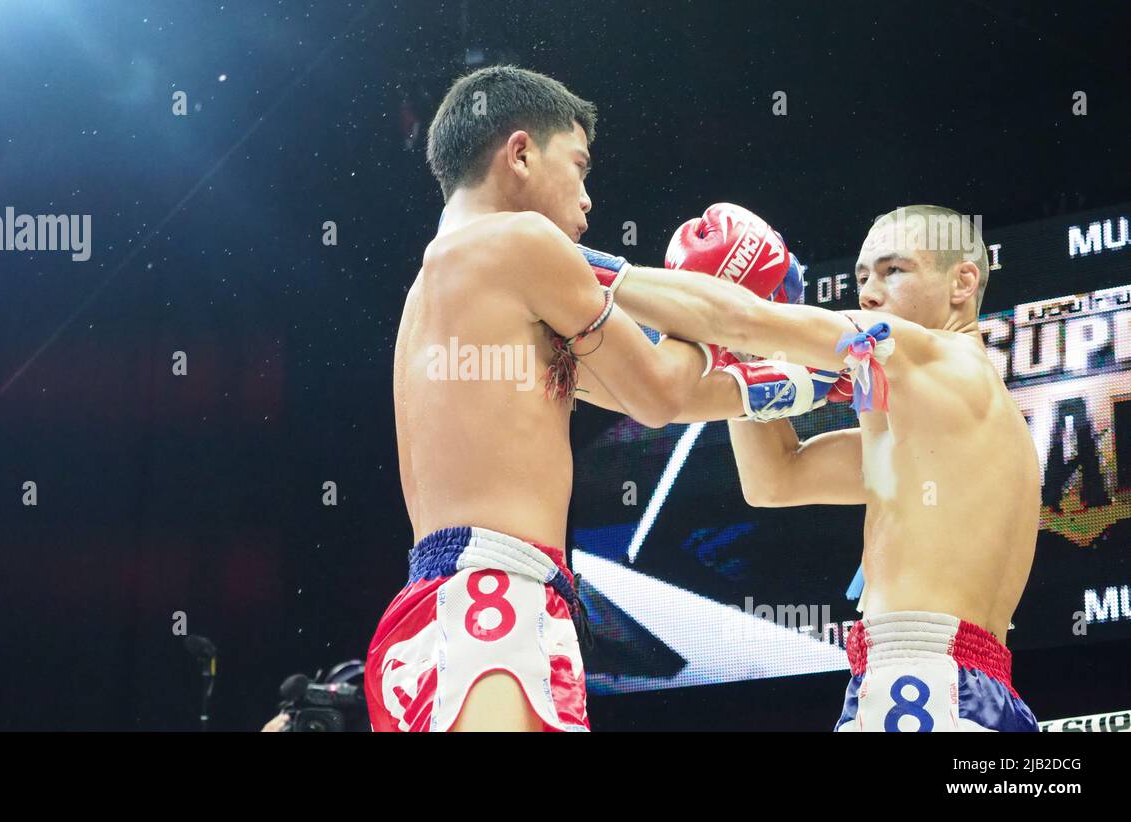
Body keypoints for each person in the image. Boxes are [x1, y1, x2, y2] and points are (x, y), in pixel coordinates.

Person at [365, 66, 828, 732]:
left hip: (462, 603)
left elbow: (661, 396)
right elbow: (661, 392)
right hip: (492, 602)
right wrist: (713, 295)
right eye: (579, 167)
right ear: (520, 154)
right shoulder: (518, 242)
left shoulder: (455, 288)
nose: (588, 199)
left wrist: (800, 384)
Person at [613, 204, 1040, 731]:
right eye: (863, 277)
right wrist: (739, 358)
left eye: (894, 270)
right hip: (958, 686)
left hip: (923, 683)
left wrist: (572, 272)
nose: (869, 292)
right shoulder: (940, 427)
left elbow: (739, 319)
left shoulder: (939, 357)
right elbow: (775, 479)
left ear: (962, 282)